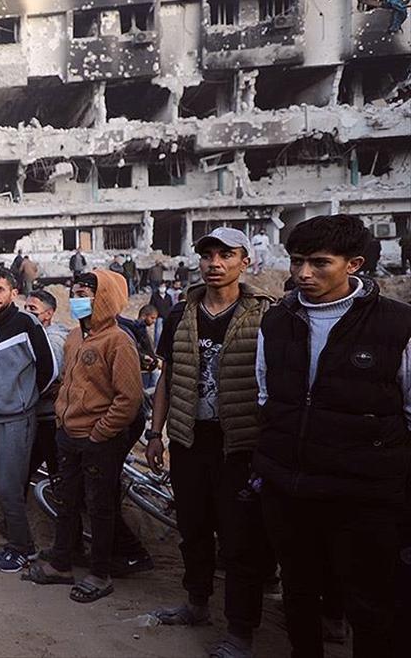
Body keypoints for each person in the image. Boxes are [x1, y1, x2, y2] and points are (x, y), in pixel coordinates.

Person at [253, 214, 411, 658]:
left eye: (320, 263)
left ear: (354, 264)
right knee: (299, 596)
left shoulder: (396, 325)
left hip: (363, 498)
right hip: (291, 491)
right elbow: (267, 397)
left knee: (370, 604)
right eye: (298, 261)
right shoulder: (277, 322)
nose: (304, 274)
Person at [144, 227, 276, 657]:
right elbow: (168, 375)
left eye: (226, 255)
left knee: (240, 540)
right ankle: (197, 603)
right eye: (208, 255)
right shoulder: (183, 313)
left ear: (245, 262)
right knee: (194, 529)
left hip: (239, 444)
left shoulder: (265, 315)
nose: (215, 263)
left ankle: (240, 630)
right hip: (188, 438)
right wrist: (155, 433)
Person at [21, 271, 144, 604]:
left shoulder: (118, 341)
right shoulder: (75, 337)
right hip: (69, 435)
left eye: (85, 292)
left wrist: (99, 433)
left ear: (104, 298)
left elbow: (128, 399)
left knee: (100, 506)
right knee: (67, 500)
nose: (77, 298)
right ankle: (62, 562)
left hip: (99, 439)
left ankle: (100, 574)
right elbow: (65, 382)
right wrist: (63, 417)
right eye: (74, 291)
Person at [0, 267, 55, 573]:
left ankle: (24, 549)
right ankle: (14, 542)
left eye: (0, 289)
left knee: (10, 486)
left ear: (13, 293)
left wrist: (24, 400)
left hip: (16, 418)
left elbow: (48, 370)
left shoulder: (27, 324)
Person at [23, 290, 67, 481]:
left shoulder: (52, 340)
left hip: (49, 415)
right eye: (25, 308)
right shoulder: (37, 335)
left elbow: (50, 377)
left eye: (32, 309)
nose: (27, 312)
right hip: (41, 413)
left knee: (54, 464)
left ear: (48, 314)